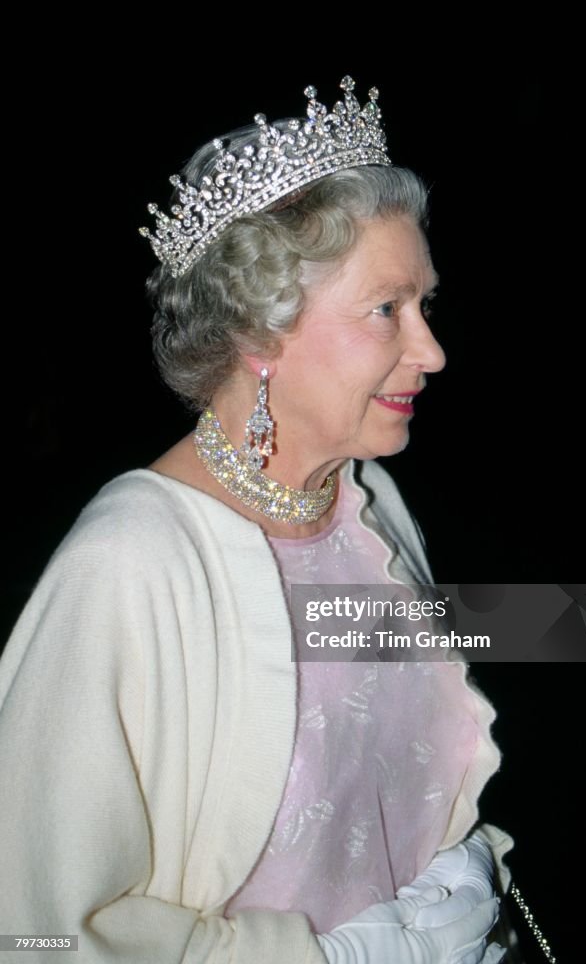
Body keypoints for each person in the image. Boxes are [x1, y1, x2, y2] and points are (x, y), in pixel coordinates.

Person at [0, 76, 521, 963]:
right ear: (256, 333)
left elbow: (390, 766)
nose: (429, 350)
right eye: (385, 310)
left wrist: (456, 875)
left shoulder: (368, 503)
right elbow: (35, 932)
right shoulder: (131, 566)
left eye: (424, 306)